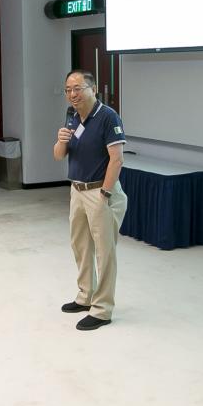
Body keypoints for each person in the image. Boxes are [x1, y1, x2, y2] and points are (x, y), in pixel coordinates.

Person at [53, 70, 128, 331]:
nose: (72, 94)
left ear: (92, 88)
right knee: (81, 246)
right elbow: (59, 155)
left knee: (104, 252)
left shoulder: (107, 117)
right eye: (68, 89)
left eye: (78, 88)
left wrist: (105, 194)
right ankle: (85, 296)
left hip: (100, 192)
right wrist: (60, 141)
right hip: (77, 190)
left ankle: (103, 309)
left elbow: (117, 159)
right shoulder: (71, 116)